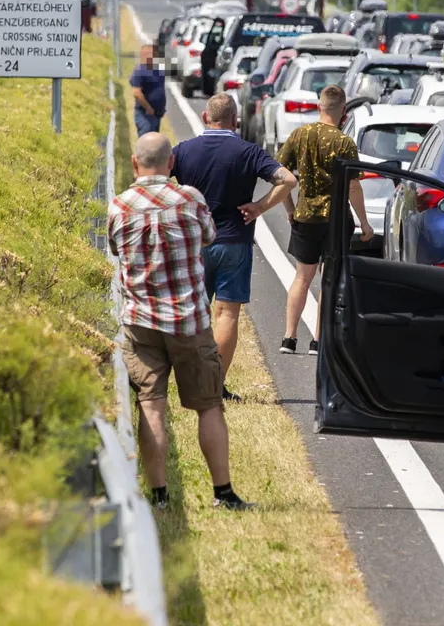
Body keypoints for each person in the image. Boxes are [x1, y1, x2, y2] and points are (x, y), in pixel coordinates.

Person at [108, 133, 254, 512]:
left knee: (150, 403)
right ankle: (223, 492)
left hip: (141, 321)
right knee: (209, 405)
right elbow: (208, 237)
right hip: (188, 319)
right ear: (171, 163)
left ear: (135, 163)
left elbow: (115, 248)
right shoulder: (190, 199)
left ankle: (159, 497)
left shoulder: (119, 206)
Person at [172, 93, 298, 401]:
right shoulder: (248, 151)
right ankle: (215, 386)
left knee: (193, 313)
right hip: (234, 242)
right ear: (235, 120)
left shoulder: (184, 150)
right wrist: (259, 207)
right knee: (226, 315)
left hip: (194, 244)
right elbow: (288, 180)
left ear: (205, 117)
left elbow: (155, 177)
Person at [275, 84, 373, 355]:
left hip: (305, 217)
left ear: (319, 106)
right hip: (336, 221)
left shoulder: (300, 134)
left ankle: (289, 338)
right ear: (343, 111)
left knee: (301, 278)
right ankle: (317, 341)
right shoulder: (344, 142)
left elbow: (280, 174)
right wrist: (364, 223)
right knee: (327, 280)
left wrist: (289, 208)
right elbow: (353, 187)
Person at [131, 44, 166, 137]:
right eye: (152, 54)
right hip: (145, 115)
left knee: (154, 141)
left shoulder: (158, 70)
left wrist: (162, 108)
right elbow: (136, 93)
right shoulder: (140, 71)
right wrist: (148, 108)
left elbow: (160, 89)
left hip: (156, 114)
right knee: (147, 140)